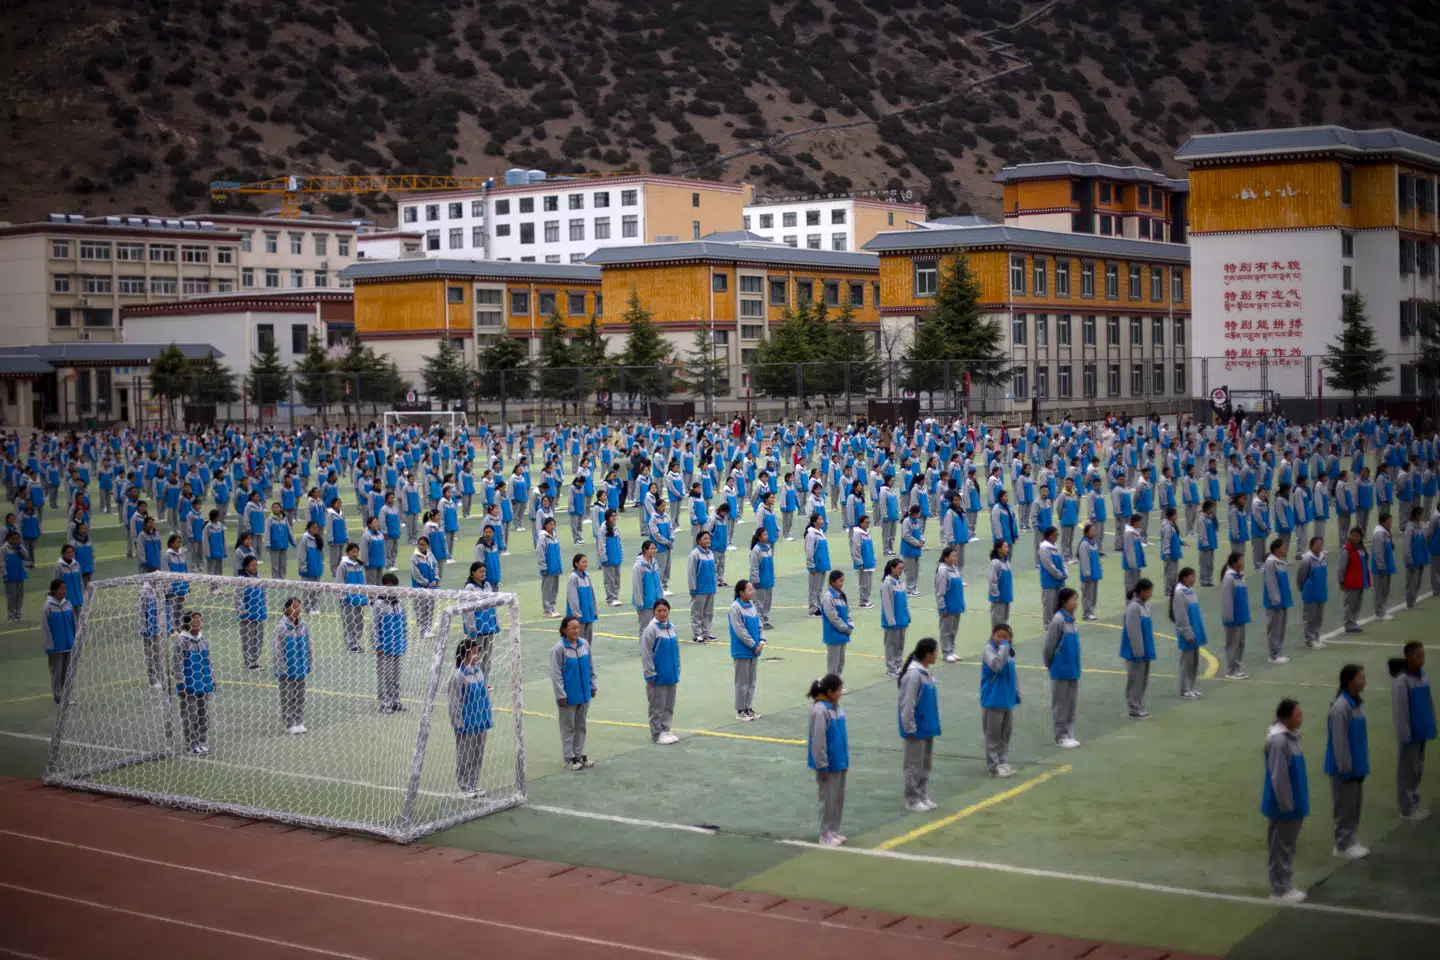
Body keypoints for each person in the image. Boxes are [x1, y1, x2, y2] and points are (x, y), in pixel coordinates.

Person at [1263, 698, 1310, 903]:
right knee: (1281, 847)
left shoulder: (1290, 738)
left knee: (1286, 846)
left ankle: (1285, 885)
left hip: (1293, 803)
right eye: (1298, 714)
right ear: (1287, 717)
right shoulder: (1280, 742)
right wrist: (1286, 806)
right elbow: (1279, 776)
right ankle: (1280, 890)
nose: (1301, 717)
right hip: (1285, 806)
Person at [1324, 663, 1370, 859]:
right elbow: (1339, 741)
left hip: (1357, 765)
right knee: (1344, 807)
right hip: (1345, 768)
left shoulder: (1356, 704)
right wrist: (1345, 768)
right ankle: (1342, 844)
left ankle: (1351, 840)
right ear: (1350, 682)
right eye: (1360, 678)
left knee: (1354, 806)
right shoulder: (1341, 708)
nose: (1364, 681)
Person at [1391, 641, 1434, 821]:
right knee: (1407, 772)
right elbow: (1400, 710)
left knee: (1417, 770)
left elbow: (1428, 701)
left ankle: (1415, 803)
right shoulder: (1402, 681)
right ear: (1408, 656)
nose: (1421, 659)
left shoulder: (1422, 675)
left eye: (1423, 656)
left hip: (1422, 730)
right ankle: (1407, 809)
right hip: (1410, 735)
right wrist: (1404, 735)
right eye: (1418, 656)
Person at [898, 637, 941, 811]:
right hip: (916, 728)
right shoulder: (913, 675)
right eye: (936, 651)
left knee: (925, 764)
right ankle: (912, 799)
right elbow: (908, 703)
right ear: (928, 654)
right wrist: (909, 726)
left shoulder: (926, 672)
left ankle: (922, 794)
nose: (937, 654)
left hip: (927, 725)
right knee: (914, 765)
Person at [806, 673, 848, 846]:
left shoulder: (837, 707)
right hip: (828, 763)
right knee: (827, 799)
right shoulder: (820, 710)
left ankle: (833, 830)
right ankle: (824, 833)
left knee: (837, 799)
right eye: (839, 690)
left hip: (840, 760)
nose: (841, 692)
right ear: (830, 692)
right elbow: (819, 740)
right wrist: (821, 764)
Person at [551, 615, 597, 771]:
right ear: (564, 630)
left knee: (581, 725)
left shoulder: (584, 644)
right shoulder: (559, 649)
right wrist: (560, 695)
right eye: (572, 628)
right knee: (568, 727)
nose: (576, 630)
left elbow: (591, 666)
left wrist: (593, 685)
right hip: (568, 696)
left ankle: (579, 754)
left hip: (584, 694)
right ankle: (569, 758)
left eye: (577, 627)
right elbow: (556, 674)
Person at [449, 637, 494, 799]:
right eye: (473, 653)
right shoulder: (458, 676)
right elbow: (454, 702)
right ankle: (464, 787)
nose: (476, 656)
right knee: (464, 756)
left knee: (477, 755)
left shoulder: (479, 672)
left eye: (477, 653)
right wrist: (458, 723)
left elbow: (481, 696)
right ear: (464, 655)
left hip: (480, 721)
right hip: (466, 723)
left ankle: (474, 784)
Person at [1043, 587, 1082, 748]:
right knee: (1061, 703)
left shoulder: (1071, 620)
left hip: (1072, 668)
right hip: (1060, 669)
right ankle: (1060, 735)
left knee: (1071, 703)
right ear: (1064, 602)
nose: (1076, 602)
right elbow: (1049, 646)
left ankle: (1069, 733)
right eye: (1073, 599)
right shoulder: (1058, 620)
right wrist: (1050, 664)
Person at [639, 598, 681, 744]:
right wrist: (650, 673)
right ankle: (657, 733)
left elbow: (676, 651)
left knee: (669, 705)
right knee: (657, 706)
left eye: (664, 610)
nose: (662, 614)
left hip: (671, 673)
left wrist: (678, 669)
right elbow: (646, 654)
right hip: (658, 675)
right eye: (659, 611)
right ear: (654, 612)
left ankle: (666, 729)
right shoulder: (650, 630)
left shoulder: (671, 628)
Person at [172, 609, 213, 755]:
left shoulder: (203, 640)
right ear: (187, 623)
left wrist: (211, 679)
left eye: (199, 621)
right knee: (191, 715)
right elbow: (177, 665)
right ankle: (192, 744)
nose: (198, 624)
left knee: (203, 715)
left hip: (203, 683)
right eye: (195, 621)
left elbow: (209, 662)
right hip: (189, 686)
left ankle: (202, 741)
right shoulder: (181, 642)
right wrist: (181, 684)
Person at [980, 622, 1019, 777]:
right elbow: (997, 666)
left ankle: (1002, 761)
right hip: (993, 698)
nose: (1002, 639)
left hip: (1007, 698)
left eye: (1006, 637)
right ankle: (993, 766)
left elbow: (1013, 674)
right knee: (993, 734)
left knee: (1005, 733)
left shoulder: (1008, 653)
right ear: (993, 636)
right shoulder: (988, 650)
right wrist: (1004, 647)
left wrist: (1016, 692)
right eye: (999, 636)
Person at [272, 597, 311, 734]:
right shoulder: (281, 628)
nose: (297, 610)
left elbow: (308, 646)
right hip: (287, 669)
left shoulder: (303, 627)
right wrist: (282, 669)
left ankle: (299, 721)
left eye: (299, 606)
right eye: (294, 606)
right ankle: (289, 723)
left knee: (300, 695)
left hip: (300, 667)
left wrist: (308, 663)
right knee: (287, 696)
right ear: (287, 609)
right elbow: (277, 650)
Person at [729, 579, 766, 721]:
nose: (752, 592)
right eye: (749, 590)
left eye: (752, 589)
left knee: (751, 681)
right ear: (741, 592)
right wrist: (753, 645)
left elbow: (759, 625)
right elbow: (740, 630)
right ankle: (740, 710)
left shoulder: (751, 606)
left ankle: (748, 707)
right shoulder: (735, 608)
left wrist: (761, 640)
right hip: (742, 650)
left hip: (754, 650)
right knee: (742, 681)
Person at [1122, 578, 1156, 719]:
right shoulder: (1133, 607)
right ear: (1141, 591)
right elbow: (1133, 630)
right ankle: (1133, 707)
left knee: (1143, 680)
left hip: (1145, 649)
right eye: (1149, 591)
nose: (1150, 594)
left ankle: (1140, 704)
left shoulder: (1146, 606)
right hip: (1135, 652)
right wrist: (1138, 652)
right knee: (1135, 679)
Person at [1171, 568, 1207, 699]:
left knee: (1194, 661)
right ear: (1185, 578)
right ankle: (1184, 689)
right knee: (1186, 662)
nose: (1194, 578)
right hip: (1188, 632)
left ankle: (1192, 686)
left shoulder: (1189, 591)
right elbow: (1181, 616)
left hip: (1195, 630)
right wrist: (1187, 633)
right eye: (1192, 576)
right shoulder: (1180, 593)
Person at [40, 578, 76, 704]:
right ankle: (58, 697)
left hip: (68, 644)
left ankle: (67, 696)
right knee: (57, 672)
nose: (64, 591)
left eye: (65, 589)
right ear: (54, 591)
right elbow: (45, 628)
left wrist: (75, 640)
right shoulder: (48, 607)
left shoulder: (68, 604)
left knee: (68, 672)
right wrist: (49, 645)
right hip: (55, 646)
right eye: (62, 589)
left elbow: (73, 624)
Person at [1262, 538, 1294, 665]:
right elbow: (1271, 583)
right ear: (1276, 549)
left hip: (1283, 600)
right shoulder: (1271, 562)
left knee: (1281, 628)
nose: (1285, 550)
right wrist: (1275, 600)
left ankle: (1280, 652)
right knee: (1274, 628)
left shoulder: (1281, 562)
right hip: (1275, 602)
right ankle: (1273, 654)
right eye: (1283, 548)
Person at [1220, 552, 1250, 680]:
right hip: (1233, 618)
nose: (1243, 563)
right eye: (1241, 561)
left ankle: (1237, 668)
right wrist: (1228, 617)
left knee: (1240, 644)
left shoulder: (1240, 577)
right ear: (1233, 563)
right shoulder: (1229, 578)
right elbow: (1227, 599)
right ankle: (1230, 670)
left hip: (1241, 615)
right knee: (1232, 644)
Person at [335, 542, 369, 654]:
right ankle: (350, 645)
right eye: (353, 551)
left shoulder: (359, 565)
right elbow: (339, 582)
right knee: (349, 622)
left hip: (359, 598)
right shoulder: (343, 565)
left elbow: (363, 581)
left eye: (356, 551)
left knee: (359, 621)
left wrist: (364, 595)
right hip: (348, 600)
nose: (355, 554)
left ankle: (357, 643)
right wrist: (343, 598)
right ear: (347, 552)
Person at [1295, 536, 1328, 649]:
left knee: (1319, 617)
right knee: (1309, 618)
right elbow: (1301, 576)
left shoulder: (1323, 557)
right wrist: (1303, 588)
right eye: (1317, 544)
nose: (1319, 546)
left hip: (1321, 592)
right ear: (1311, 546)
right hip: (1310, 593)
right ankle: (1309, 640)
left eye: (1321, 544)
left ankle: (1317, 637)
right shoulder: (1307, 559)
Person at [235, 554, 267, 671]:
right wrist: (242, 614)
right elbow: (238, 598)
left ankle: (255, 660)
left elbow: (263, 595)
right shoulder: (241, 580)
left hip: (259, 613)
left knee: (258, 638)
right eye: (252, 565)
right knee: (248, 640)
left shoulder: (259, 578)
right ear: (246, 566)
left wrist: (264, 609)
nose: (255, 567)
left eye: (256, 565)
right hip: (247, 616)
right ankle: (249, 662)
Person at [879, 558, 910, 678]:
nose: (902, 571)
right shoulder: (887, 583)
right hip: (892, 621)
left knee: (900, 644)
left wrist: (908, 615)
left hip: (902, 619)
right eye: (900, 568)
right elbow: (887, 604)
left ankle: (898, 665)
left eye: (902, 568)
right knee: (891, 645)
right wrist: (891, 621)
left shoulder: (901, 583)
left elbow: (905, 602)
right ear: (892, 568)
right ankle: (891, 668)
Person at [820, 570, 854, 678]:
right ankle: (831, 686)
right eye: (840, 581)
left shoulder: (841, 595)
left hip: (843, 634)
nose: (842, 583)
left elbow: (848, 612)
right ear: (832, 582)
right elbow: (834, 618)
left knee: (841, 662)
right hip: (833, 635)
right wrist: (846, 629)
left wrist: (850, 625)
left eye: (843, 580)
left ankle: (836, 684)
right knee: (833, 663)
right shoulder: (828, 598)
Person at [935, 545, 965, 663]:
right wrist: (942, 607)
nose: (955, 557)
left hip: (956, 605)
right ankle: (946, 652)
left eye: (955, 555)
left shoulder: (954, 568)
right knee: (946, 630)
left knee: (953, 630)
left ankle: (951, 650)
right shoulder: (942, 572)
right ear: (946, 558)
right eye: (953, 555)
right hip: (948, 606)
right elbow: (940, 592)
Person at [1403, 505, 1431, 608]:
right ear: (1417, 515)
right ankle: (1410, 603)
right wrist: (1409, 560)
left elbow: (1425, 541)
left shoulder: (1421, 526)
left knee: (1418, 582)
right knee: (1411, 583)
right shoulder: (1410, 528)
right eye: (1421, 515)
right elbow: (1407, 546)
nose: (1423, 517)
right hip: (1413, 560)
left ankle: (1413, 601)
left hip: (1421, 559)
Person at [632, 540, 663, 633]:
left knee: (657, 627)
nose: (654, 550)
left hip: (657, 601)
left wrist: (661, 597)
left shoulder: (655, 563)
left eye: (655, 548)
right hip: (646, 602)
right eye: (652, 548)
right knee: (645, 628)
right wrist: (639, 603)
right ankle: (644, 647)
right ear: (645, 550)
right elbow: (637, 585)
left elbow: (659, 581)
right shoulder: (638, 566)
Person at [1037, 526, 1066, 623]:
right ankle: (1047, 625)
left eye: (1057, 535)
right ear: (1049, 536)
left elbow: (1062, 561)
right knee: (1048, 604)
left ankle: (1056, 623)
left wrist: (1065, 572)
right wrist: (1060, 575)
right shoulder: (1044, 548)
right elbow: (1049, 566)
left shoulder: (1056, 547)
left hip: (1059, 580)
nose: (1057, 537)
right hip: (1049, 580)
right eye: (1055, 535)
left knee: (1057, 603)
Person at [804, 513, 830, 617]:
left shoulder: (820, 532)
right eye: (820, 519)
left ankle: (818, 607)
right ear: (814, 522)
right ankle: (812, 609)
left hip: (823, 564)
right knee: (813, 589)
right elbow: (809, 552)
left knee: (819, 589)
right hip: (816, 565)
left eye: (822, 519)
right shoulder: (811, 535)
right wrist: (811, 565)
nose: (822, 521)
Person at [749, 527, 775, 629]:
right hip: (760, 581)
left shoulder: (768, 548)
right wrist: (755, 580)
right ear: (759, 537)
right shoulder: (756, 550)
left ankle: (765, 619)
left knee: (767, 602)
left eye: (766, 534)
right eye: (764, 534)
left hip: (768, 580)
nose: (766, 536)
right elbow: (754, 566)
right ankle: (759, 621)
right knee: (759, 602)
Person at [536, 517, 563, 617]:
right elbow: (540, 554)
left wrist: (560, 565)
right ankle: (547, 610)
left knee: (554, 589)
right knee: (547, 589)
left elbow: (558, 552)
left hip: (556, 567)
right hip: (548, 568)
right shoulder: (543, 538)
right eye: (550, 524)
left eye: (553, 524)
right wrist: (543, 567)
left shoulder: (555, 536)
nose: (552, 526)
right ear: (545, 525)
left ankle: (552, 608)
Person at [1371, 513, 1395, 619]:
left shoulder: (1385, 533)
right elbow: (1378, 552)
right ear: (1383, 522)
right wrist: (1381, 566)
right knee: (1380, 591)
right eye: (1389, 521)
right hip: (1380, 568)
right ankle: (1380, 613)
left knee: (1385, 590)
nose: (1391, 524)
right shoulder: (1379, 534)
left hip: (1387, 566)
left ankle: (1383, 610)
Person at [849, 514, 877, 608]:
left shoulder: (868, 533)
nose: (868, 524)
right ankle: (863, 601)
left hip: (869, 562)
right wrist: (859, 562)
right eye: (866, 522)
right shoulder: (857, 534)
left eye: (869, 522)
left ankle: (866, 600)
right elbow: (856, 549)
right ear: (861, 523)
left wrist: (873, 559)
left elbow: (871, 548)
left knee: (868, 583)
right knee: (864, 584)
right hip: (863, 563)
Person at [298, 521, 326, 613]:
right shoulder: (304, 539)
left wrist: (321, 564)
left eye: (316, 527)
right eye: (313, 527)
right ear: (308, 528)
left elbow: (321, 554)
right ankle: (308, 608)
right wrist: (303, 567)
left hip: (317, 569)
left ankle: (316, 607)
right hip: (308, 570)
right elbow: (301, 555)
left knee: (317, 590)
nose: (315, 529)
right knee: (307, 591)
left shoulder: (318, 539)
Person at [1, 530, 28, 622]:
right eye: (13, 539)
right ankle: (11, 615)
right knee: (11, 596)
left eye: (17, 539)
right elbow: (2, 562)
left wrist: (20, 548)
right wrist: (4, 574)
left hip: (20, 574)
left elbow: (27, 556)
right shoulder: (4, 548)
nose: (15, 541)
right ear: (9, 539)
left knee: (20, 596)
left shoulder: (20, 547)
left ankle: (18, 614)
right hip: (10, 576)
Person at [1077, 521, 1102, 621]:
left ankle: (1091, 611)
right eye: (1092, 531)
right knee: (1087, 595)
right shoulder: (1084, 544)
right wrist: (1087, 575)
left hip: (1095, 573)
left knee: (1093, 594)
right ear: (1086, 533)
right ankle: (1087, 613)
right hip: (1088, 575)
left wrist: (1099, 568)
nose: (1094, 532)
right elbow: (1084, 561)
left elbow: (1096, 557)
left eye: (1095, 530)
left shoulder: (1093, 543)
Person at [599, 509, 624, 606]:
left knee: (617, 579)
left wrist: (621, 554)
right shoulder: (603, 530)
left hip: (616, 558)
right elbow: (601, 545)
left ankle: (616, 597)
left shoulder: (615, 528)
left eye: (615, 516)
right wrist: (604, 558)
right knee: (609, 579)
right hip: (609, 559)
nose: (614, 518)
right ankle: (610, 598)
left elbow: (619, 542)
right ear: (607, 517)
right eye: (612, 516)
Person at [987, 540, 1014, 627]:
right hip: (998, 598)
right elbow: (992, 581)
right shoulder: (995, 563)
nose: (1007, 549)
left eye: (1007, 547)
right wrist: (995, 596)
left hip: (1006, 596)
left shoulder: (1006, 562)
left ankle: (1002, 639)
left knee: (1004, 620)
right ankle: (995, 640)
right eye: (1005, 547)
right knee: (997, 622)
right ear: (999, 549)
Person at [900, 504, 925, 595]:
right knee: (909, 570)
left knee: (915, 570)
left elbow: (921, 532)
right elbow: (906, 535)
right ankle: (909, 589)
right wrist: (917, 543)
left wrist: (922, 541)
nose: (920, 513)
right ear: (915, 513)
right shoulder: (907, 521)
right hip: (908, 549)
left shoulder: (917, 521)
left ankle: (914, 587)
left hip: (916, 549)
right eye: (919, 512)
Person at [265, 502, 294, 579]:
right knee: (275, 565)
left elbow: (289, 530)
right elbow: (267, 532)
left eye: (277, 507)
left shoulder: (284, 518)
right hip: (274, 545)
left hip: (284, 544)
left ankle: (282, 578)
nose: (275, 508)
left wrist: (292, 541)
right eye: (273, 507)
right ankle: (275, 580)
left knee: (283, 564)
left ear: (280, 508)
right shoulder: (269, 519)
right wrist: (267, 543)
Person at [1122, 513, 1146, 595]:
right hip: (1132, 566)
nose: (1141, 523)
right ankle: (1130, 604)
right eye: (1140, 522)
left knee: (1136, 585)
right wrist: (1133, 566)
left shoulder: (1135, 532)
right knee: (1131, 586)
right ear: (1135, 522)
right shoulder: (1129, 534)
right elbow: (1129, 551)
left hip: (1136, 564)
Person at [1197, 499, 1219, 587]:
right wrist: (1205, 544)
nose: (1214, 510)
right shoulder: (1202, 518)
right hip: (1205, 546)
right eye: (1213, 508)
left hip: (1212, 544)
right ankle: (1204, 581)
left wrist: (1215, 517)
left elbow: (1217, 527)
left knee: (1210, 563)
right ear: (1208, 508)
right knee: (1204, 564)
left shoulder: (1210, 517)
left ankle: (1209, 579)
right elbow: (1202, 533)